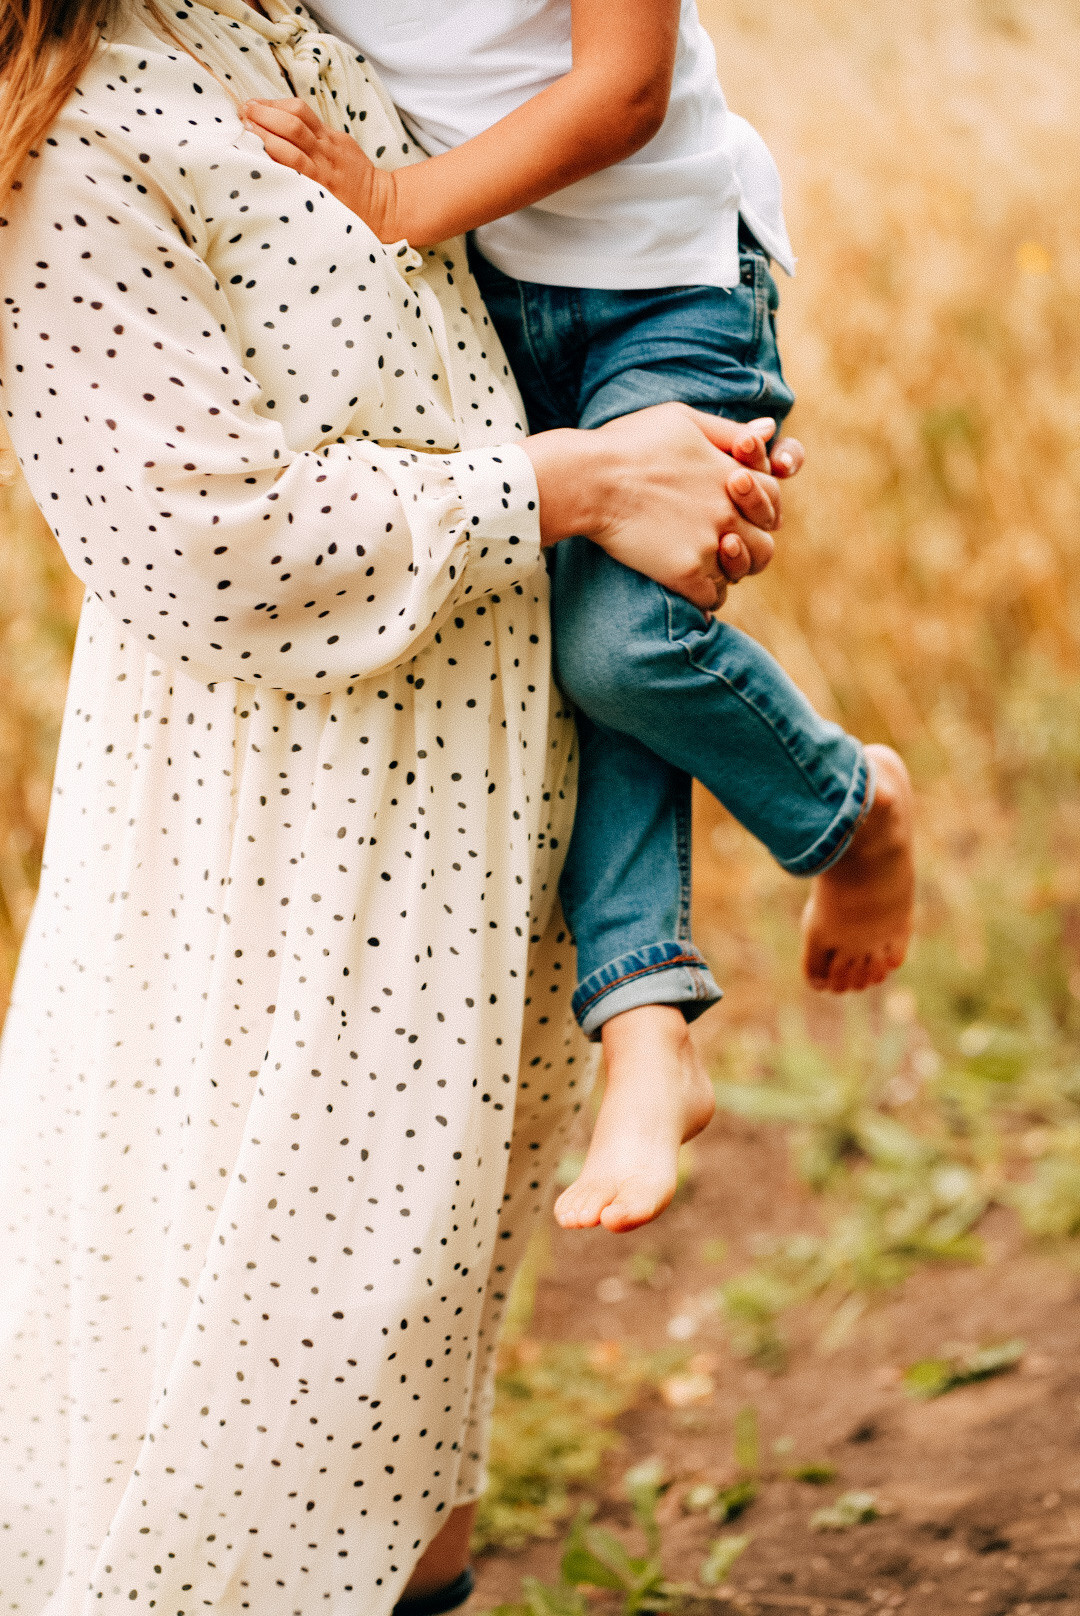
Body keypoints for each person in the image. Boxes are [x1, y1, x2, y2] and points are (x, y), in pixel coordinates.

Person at [0, 0, 789, 1609]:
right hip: (282, 865)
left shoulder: (279, 19)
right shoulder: (67, 138)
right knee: (267, 1391)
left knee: (406, 1380)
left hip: (462, 824)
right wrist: (585, 481)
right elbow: (216, 547)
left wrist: (667, 446)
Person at [239, 0, 918, 1238]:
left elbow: (626, 90)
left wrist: (395, 201)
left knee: (625, 645)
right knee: (566, 655)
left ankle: (851, 806)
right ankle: (647, 1038)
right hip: (481, 297)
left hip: (665, 285)